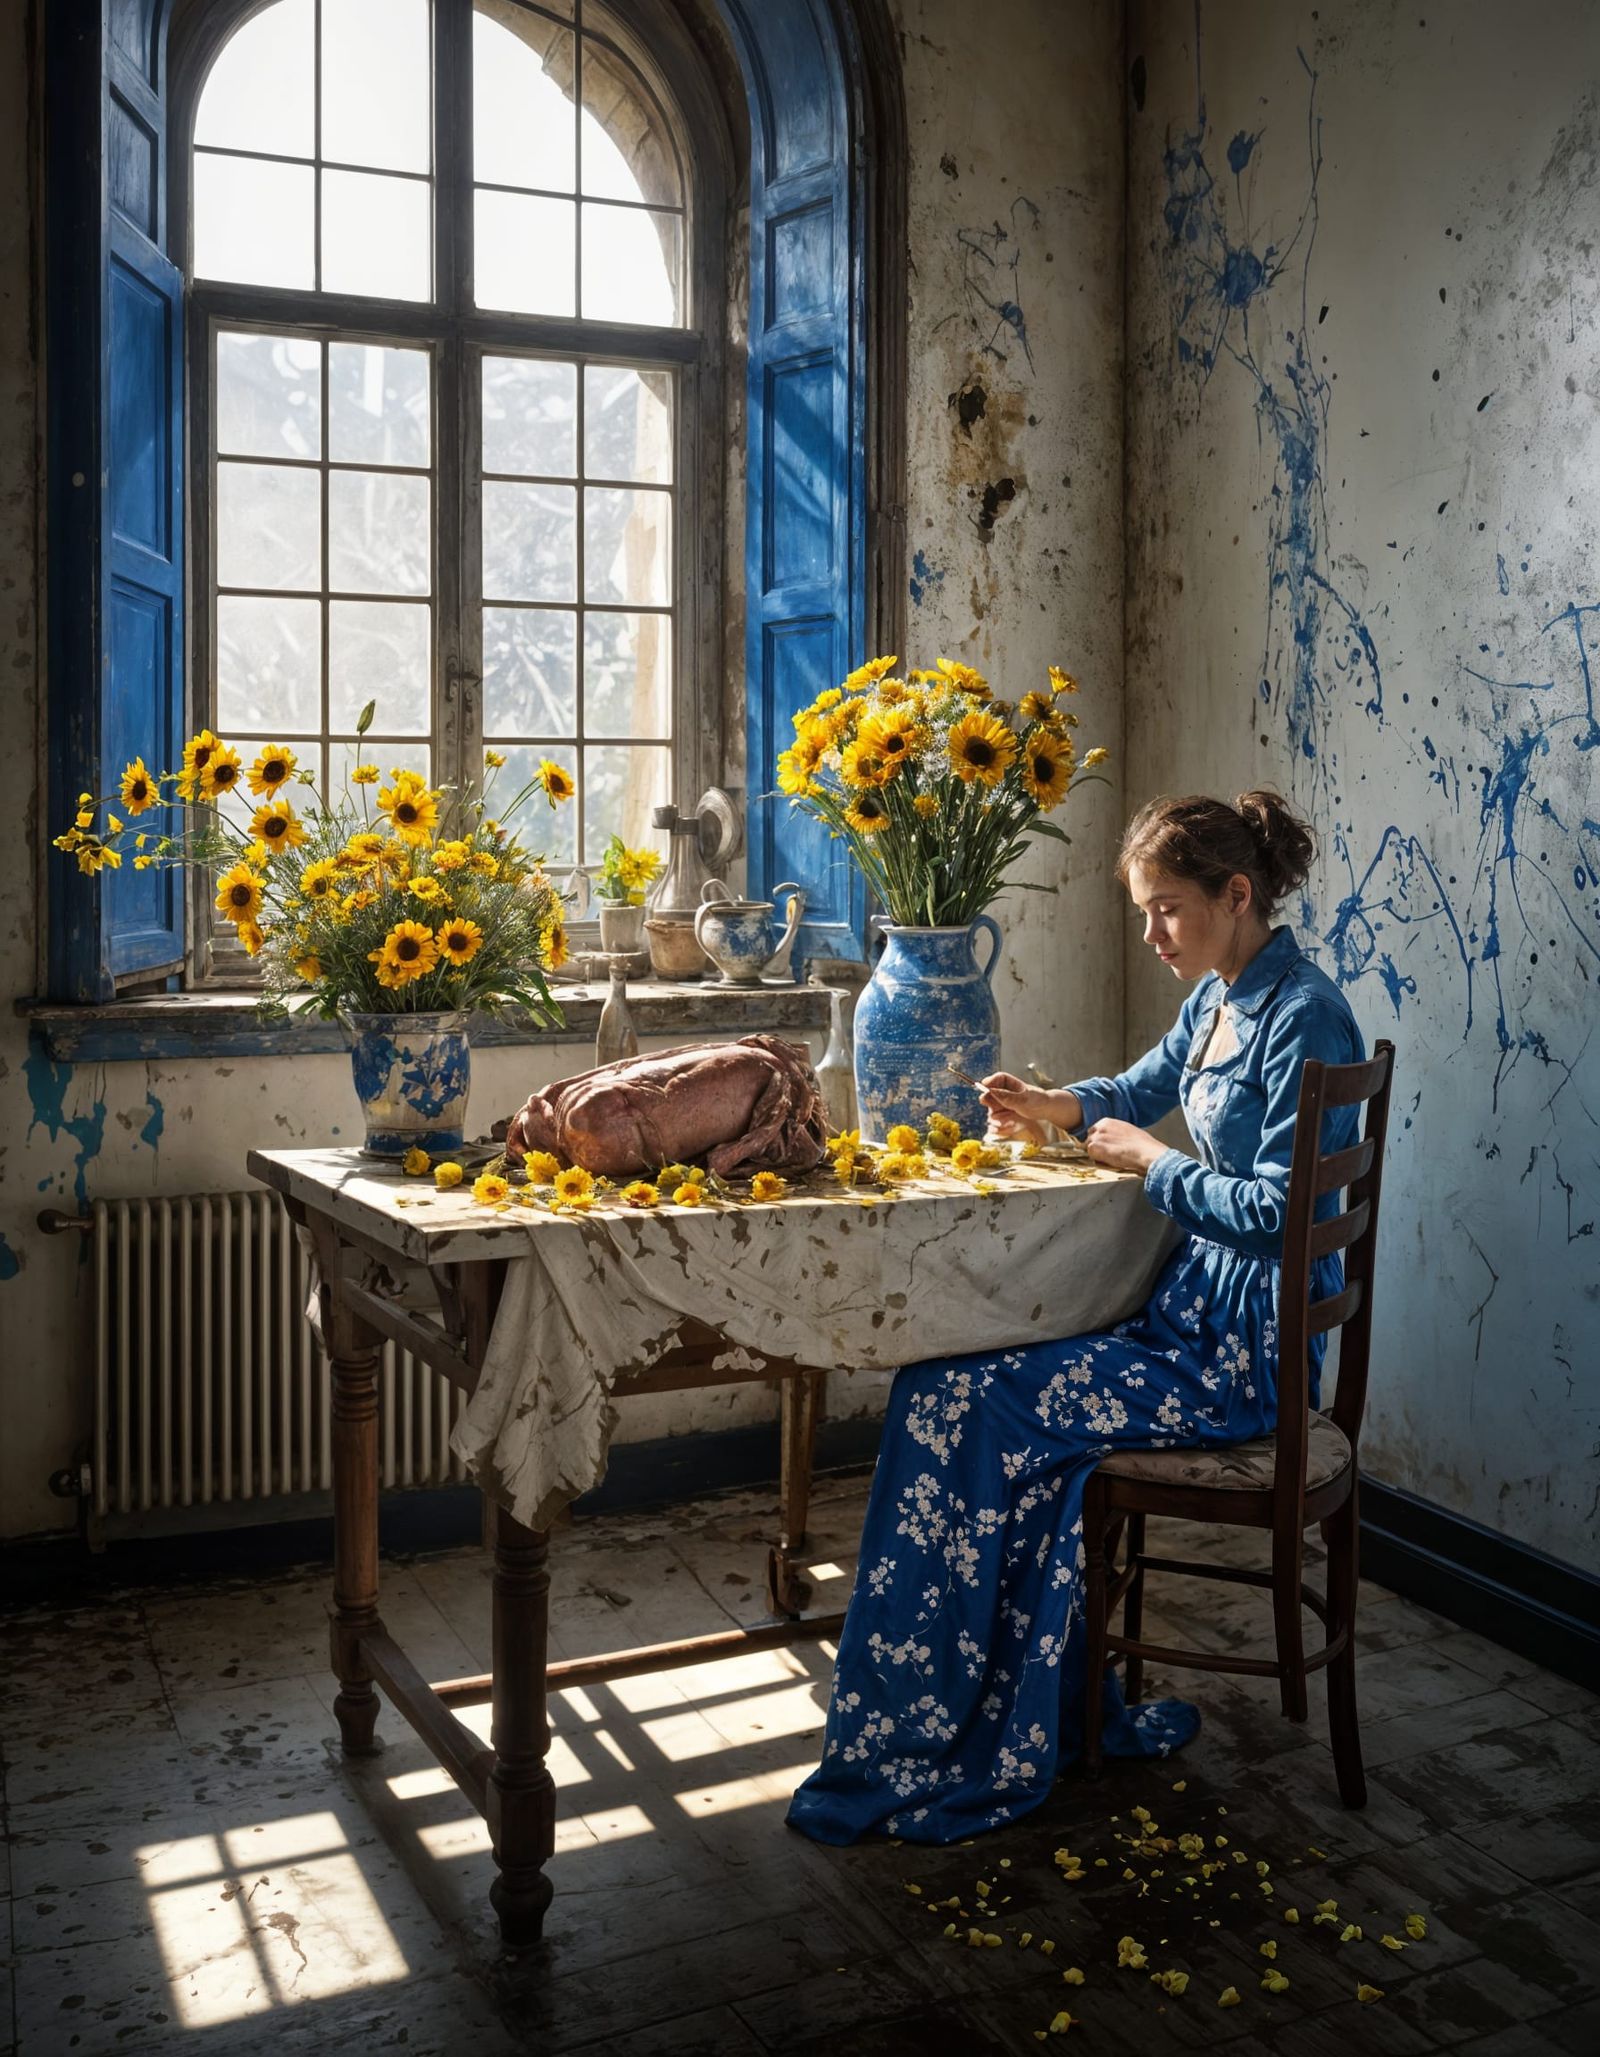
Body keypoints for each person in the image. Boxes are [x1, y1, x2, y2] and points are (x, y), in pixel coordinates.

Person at [786, 790, 1365, 1846]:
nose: (1151, 934)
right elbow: (1136, 1086)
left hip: (1240, 1356)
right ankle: (936, 1713)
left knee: (988, 1407)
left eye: (1167, 910)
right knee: (938, 1383)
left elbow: (1282, 1215)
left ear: (1239, 896)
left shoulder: (1306, 1015)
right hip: (1180, 1324)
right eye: (1144, 910)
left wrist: (1153, 1165)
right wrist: (1057, 1105)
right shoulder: (1218, 996)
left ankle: (970, 1724)